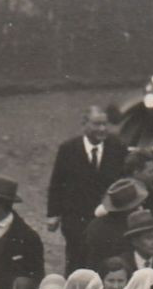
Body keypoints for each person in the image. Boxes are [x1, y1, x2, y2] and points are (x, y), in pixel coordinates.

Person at [46, 106, 126, 273]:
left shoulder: (117, 147)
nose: (102, 129)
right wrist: (53, 214)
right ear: (84, 124)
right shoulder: (68, 149)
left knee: (105, 262)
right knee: (77, 261)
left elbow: (123, 181)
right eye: (97, 124)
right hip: (76, 218)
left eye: (105, 124)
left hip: (107, 218)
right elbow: (57, 182)